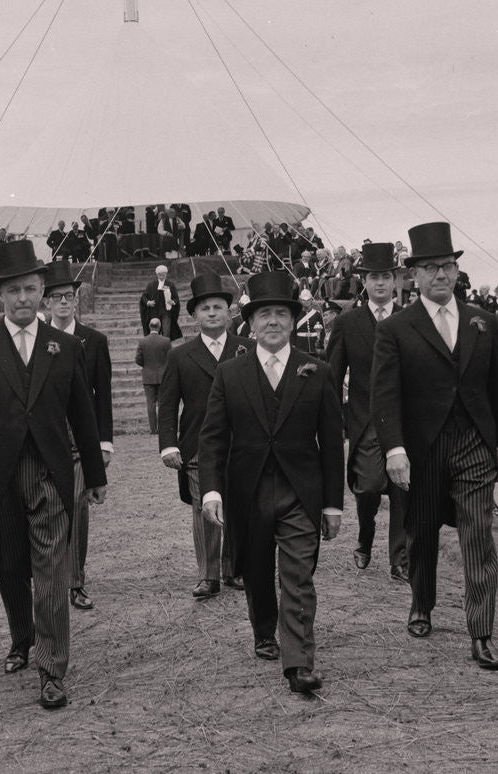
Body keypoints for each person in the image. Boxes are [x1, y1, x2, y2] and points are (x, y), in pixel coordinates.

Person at [0, 239, 106, 710]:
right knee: (11, 566)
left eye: (31, 289)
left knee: (53, 571)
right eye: (14, 290)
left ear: (43, 291)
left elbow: (84, 415)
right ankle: (22, 637)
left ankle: (52, 668)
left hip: (50, 473)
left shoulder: (66, 347)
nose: (23, 298)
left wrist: (94, 474)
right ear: (0, 293)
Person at [371, 222, 498, 671]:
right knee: (422, 534)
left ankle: (482, 632)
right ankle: (422, 603)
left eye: (447, 266)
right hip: (422, 449)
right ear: (413, 275)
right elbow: (385, 395)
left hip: (473, 443)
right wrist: (394, 449)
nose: (440, 275)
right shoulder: (396, 329)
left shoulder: (482, 322)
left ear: (456, 271)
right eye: (430, 267)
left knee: (478, 537)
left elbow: (496, 389)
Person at [199, 269, 344, 694]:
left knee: (298, 574)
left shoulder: (316, 371)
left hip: (302, 492)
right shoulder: (231, 374)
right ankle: (264, 629)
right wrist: (212, 489)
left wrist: (332, 504)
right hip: (250, 491)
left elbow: (332, 443)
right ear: (250, 323)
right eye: (264, 315)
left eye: (282, 313)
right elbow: (212, 438)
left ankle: (298, 662)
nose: (273, 322)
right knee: (256, 569)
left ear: (293, 319)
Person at [158, 273, 247, 599]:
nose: (212, 313)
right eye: (205, 308)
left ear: (229, 312)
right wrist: (168, 444)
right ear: (194, 315)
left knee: (238, 505)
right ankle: (208, 574)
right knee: (204, 507)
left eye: (218, 307)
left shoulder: (246, 349)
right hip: (196, 444)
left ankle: (232, 568)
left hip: (241, 442)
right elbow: (167, 404)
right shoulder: (180, 355)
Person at [326, 242, 408, 581]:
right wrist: (330, 420)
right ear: (364, 281)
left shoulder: (410, 319)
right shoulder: (348, 323)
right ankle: (364, 537)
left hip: (405, 419)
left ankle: (399, 559)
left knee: (404, 488)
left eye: (386, 277)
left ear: (395, 280)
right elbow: (332, 375)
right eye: (373, 277)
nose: (380, 283)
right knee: (370, 486)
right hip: (365, 420)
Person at [43, 260, 114, 613]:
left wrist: (103, 443)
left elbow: (102, 395)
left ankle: (75, 581)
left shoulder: (94, 341)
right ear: (46, 303)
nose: (63, 302)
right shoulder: (34, 340)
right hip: (42, 436)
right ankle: (48, 581)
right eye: (56, 297)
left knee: (77, 509)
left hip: (78, 439)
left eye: (69, 296)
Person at [134, 318, 171, 434]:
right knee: (162, 403)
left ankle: (153, 429)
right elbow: (171, 357)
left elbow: (138, 359)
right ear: (159, 327)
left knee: (150, 404)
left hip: (148, 377)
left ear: (150, 327)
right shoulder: (166, 341)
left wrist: (146, 365)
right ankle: (163, 427)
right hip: (162, 376)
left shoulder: (142, 342)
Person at [140, 265, 181, 341]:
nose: (161, 276)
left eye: (163, 274)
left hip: (166, 312)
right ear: (156, 274)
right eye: (159, 274)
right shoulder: (151, 285)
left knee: (166, 333)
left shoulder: (170, 284)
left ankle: (166, 349)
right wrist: (148, 302)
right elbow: (144, 297)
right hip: (154, 312)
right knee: (155, 333)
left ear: (166, 274)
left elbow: (176, 298)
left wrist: (173, 302)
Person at [291, 289, 324, 357]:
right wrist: (293, 345)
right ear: (300, 300)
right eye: (304, 300)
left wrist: (320, 344)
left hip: (314, 344)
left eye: (308, 300)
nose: (306, 302)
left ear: (311, 300)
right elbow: (292, 331)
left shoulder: (317, 314)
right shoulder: (296, 314)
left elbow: (322, 331)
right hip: (300, 345)